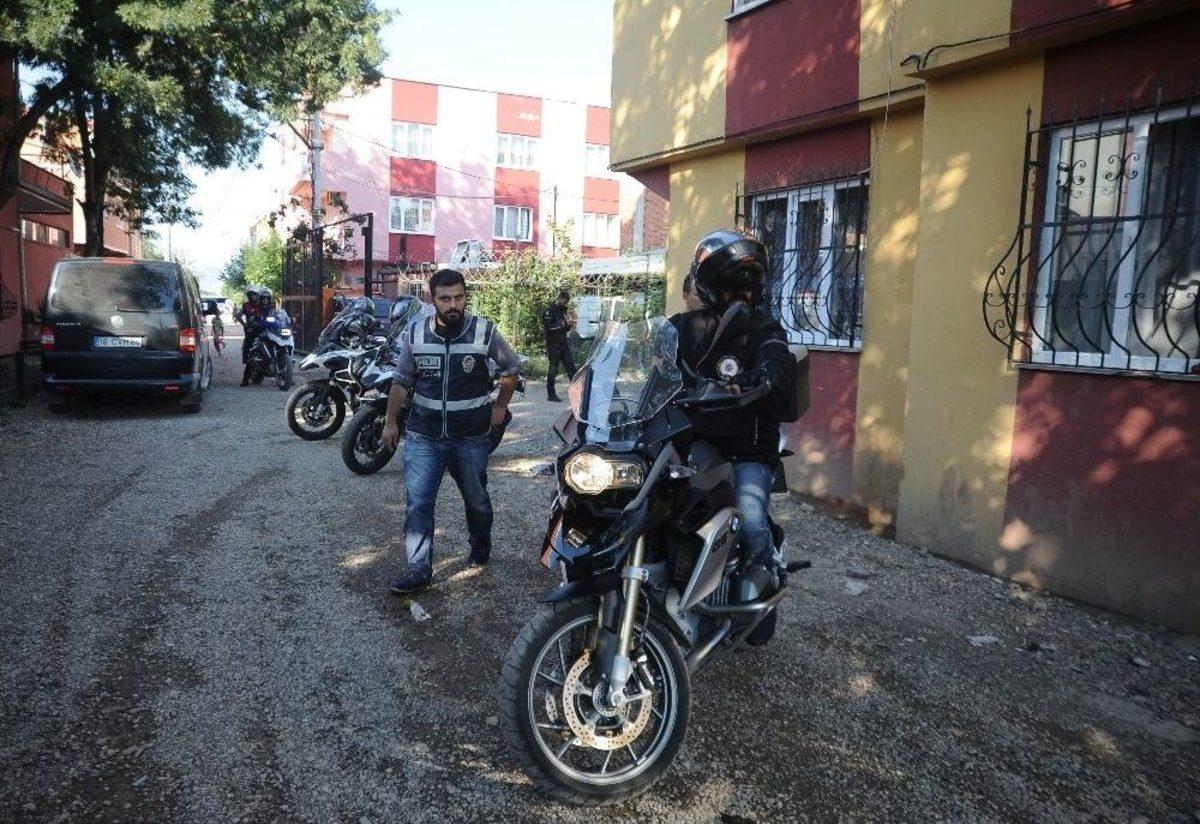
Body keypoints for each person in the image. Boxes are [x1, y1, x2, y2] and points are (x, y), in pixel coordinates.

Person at [380, 269, 522, 594]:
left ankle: (480, 544)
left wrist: (500, 406)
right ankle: (418, 569)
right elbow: (401, 380)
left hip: (470, 438)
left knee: (477, 502)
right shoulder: (416, 333)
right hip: (423, 436)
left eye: (459, 297)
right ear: (433, 299)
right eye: (445, 299)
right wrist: (390, 422)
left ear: (465, 297)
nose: (453, 305)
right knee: (418, 503)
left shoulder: (484, 331)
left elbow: (511, 367)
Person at [669, 229, 797, 574]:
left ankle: (764, 572)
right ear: (711, 284)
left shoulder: (764, 328)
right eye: (733, 283)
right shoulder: (682, 327)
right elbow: (653, 355)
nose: (743, 292)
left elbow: (776, 356)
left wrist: (767, 376)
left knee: (751, 523)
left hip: (747, 449)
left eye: (750, 284)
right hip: (694, 440)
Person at [542, 290, 576, 402]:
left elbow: (566, 328)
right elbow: (549, 328)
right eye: (564, 302)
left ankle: (577, 393)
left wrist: (569, 324)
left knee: (572, 368)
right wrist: (563, 324)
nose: (565, 304)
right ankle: (551, 394)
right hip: (553, 345)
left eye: (566, 302)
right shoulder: (549, 311)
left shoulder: (563, 311)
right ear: (559, 298)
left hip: (564, 344)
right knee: (553, 370)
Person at [236, 287, 265, 385]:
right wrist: (244, 324)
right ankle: (245, 379)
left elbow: (274, 313)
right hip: (252, 330)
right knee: (251, 353)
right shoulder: (246, 305)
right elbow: (238, 315)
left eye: (254, 294)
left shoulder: (263, 303)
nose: (252, 296)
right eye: (250, 294)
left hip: (265, 329)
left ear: (257, 295)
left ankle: (287, 374)